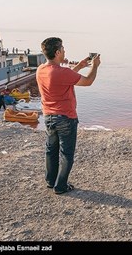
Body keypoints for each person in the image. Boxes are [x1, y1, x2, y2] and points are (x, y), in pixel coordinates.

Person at [36, 37, 101, 194]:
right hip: (65, 117)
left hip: (48, 117)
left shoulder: (40, 70)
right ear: (57, 52)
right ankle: (61, 186)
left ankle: (51, 181)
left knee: (51, 150)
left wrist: (79, 66)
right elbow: (88, 81)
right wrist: (95, 66)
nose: (65, 51)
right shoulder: (62, 72)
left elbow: (62, 78)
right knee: (66, 154)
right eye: (63, 48)